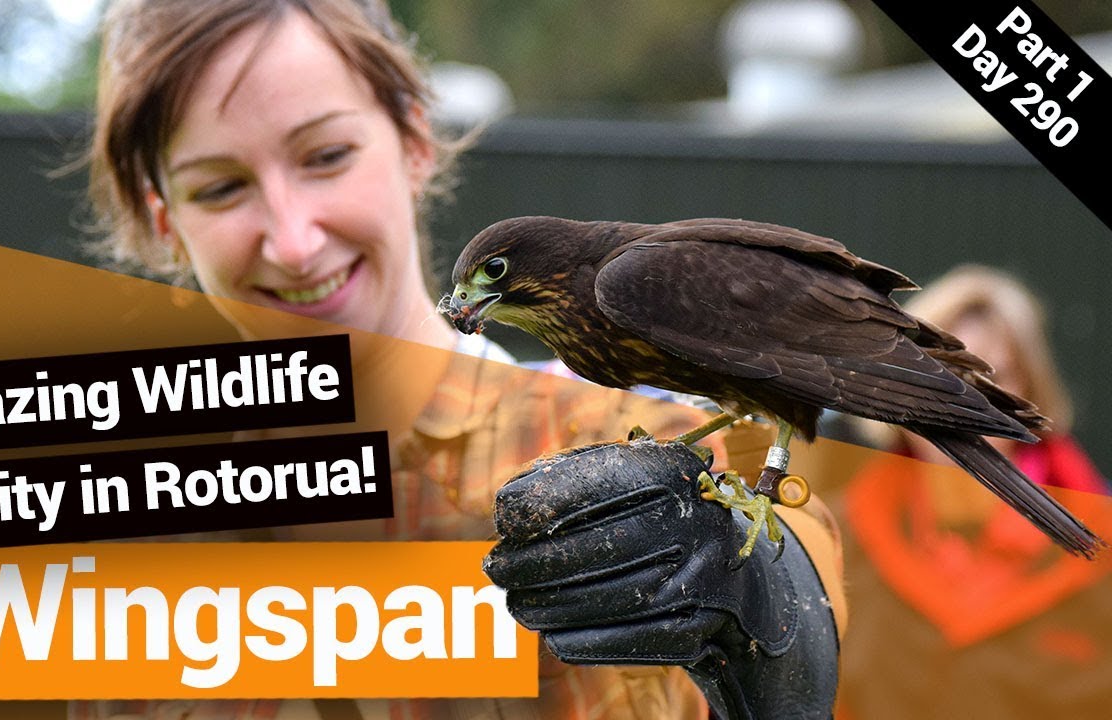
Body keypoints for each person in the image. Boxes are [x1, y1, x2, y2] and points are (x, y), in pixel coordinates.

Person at [76, 1, 846, 717]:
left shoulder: (622, 435)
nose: (294, 239)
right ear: (164, 219)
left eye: (327, 155)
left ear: (414, 142)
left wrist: (758, 593)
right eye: (220, 188)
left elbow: (804, 578)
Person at [829, 265, 1112, 718]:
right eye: (933, 376)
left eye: (994, 376)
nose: (959, 402)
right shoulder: (834, 539)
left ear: (1032, 396)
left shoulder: (1103, 543)